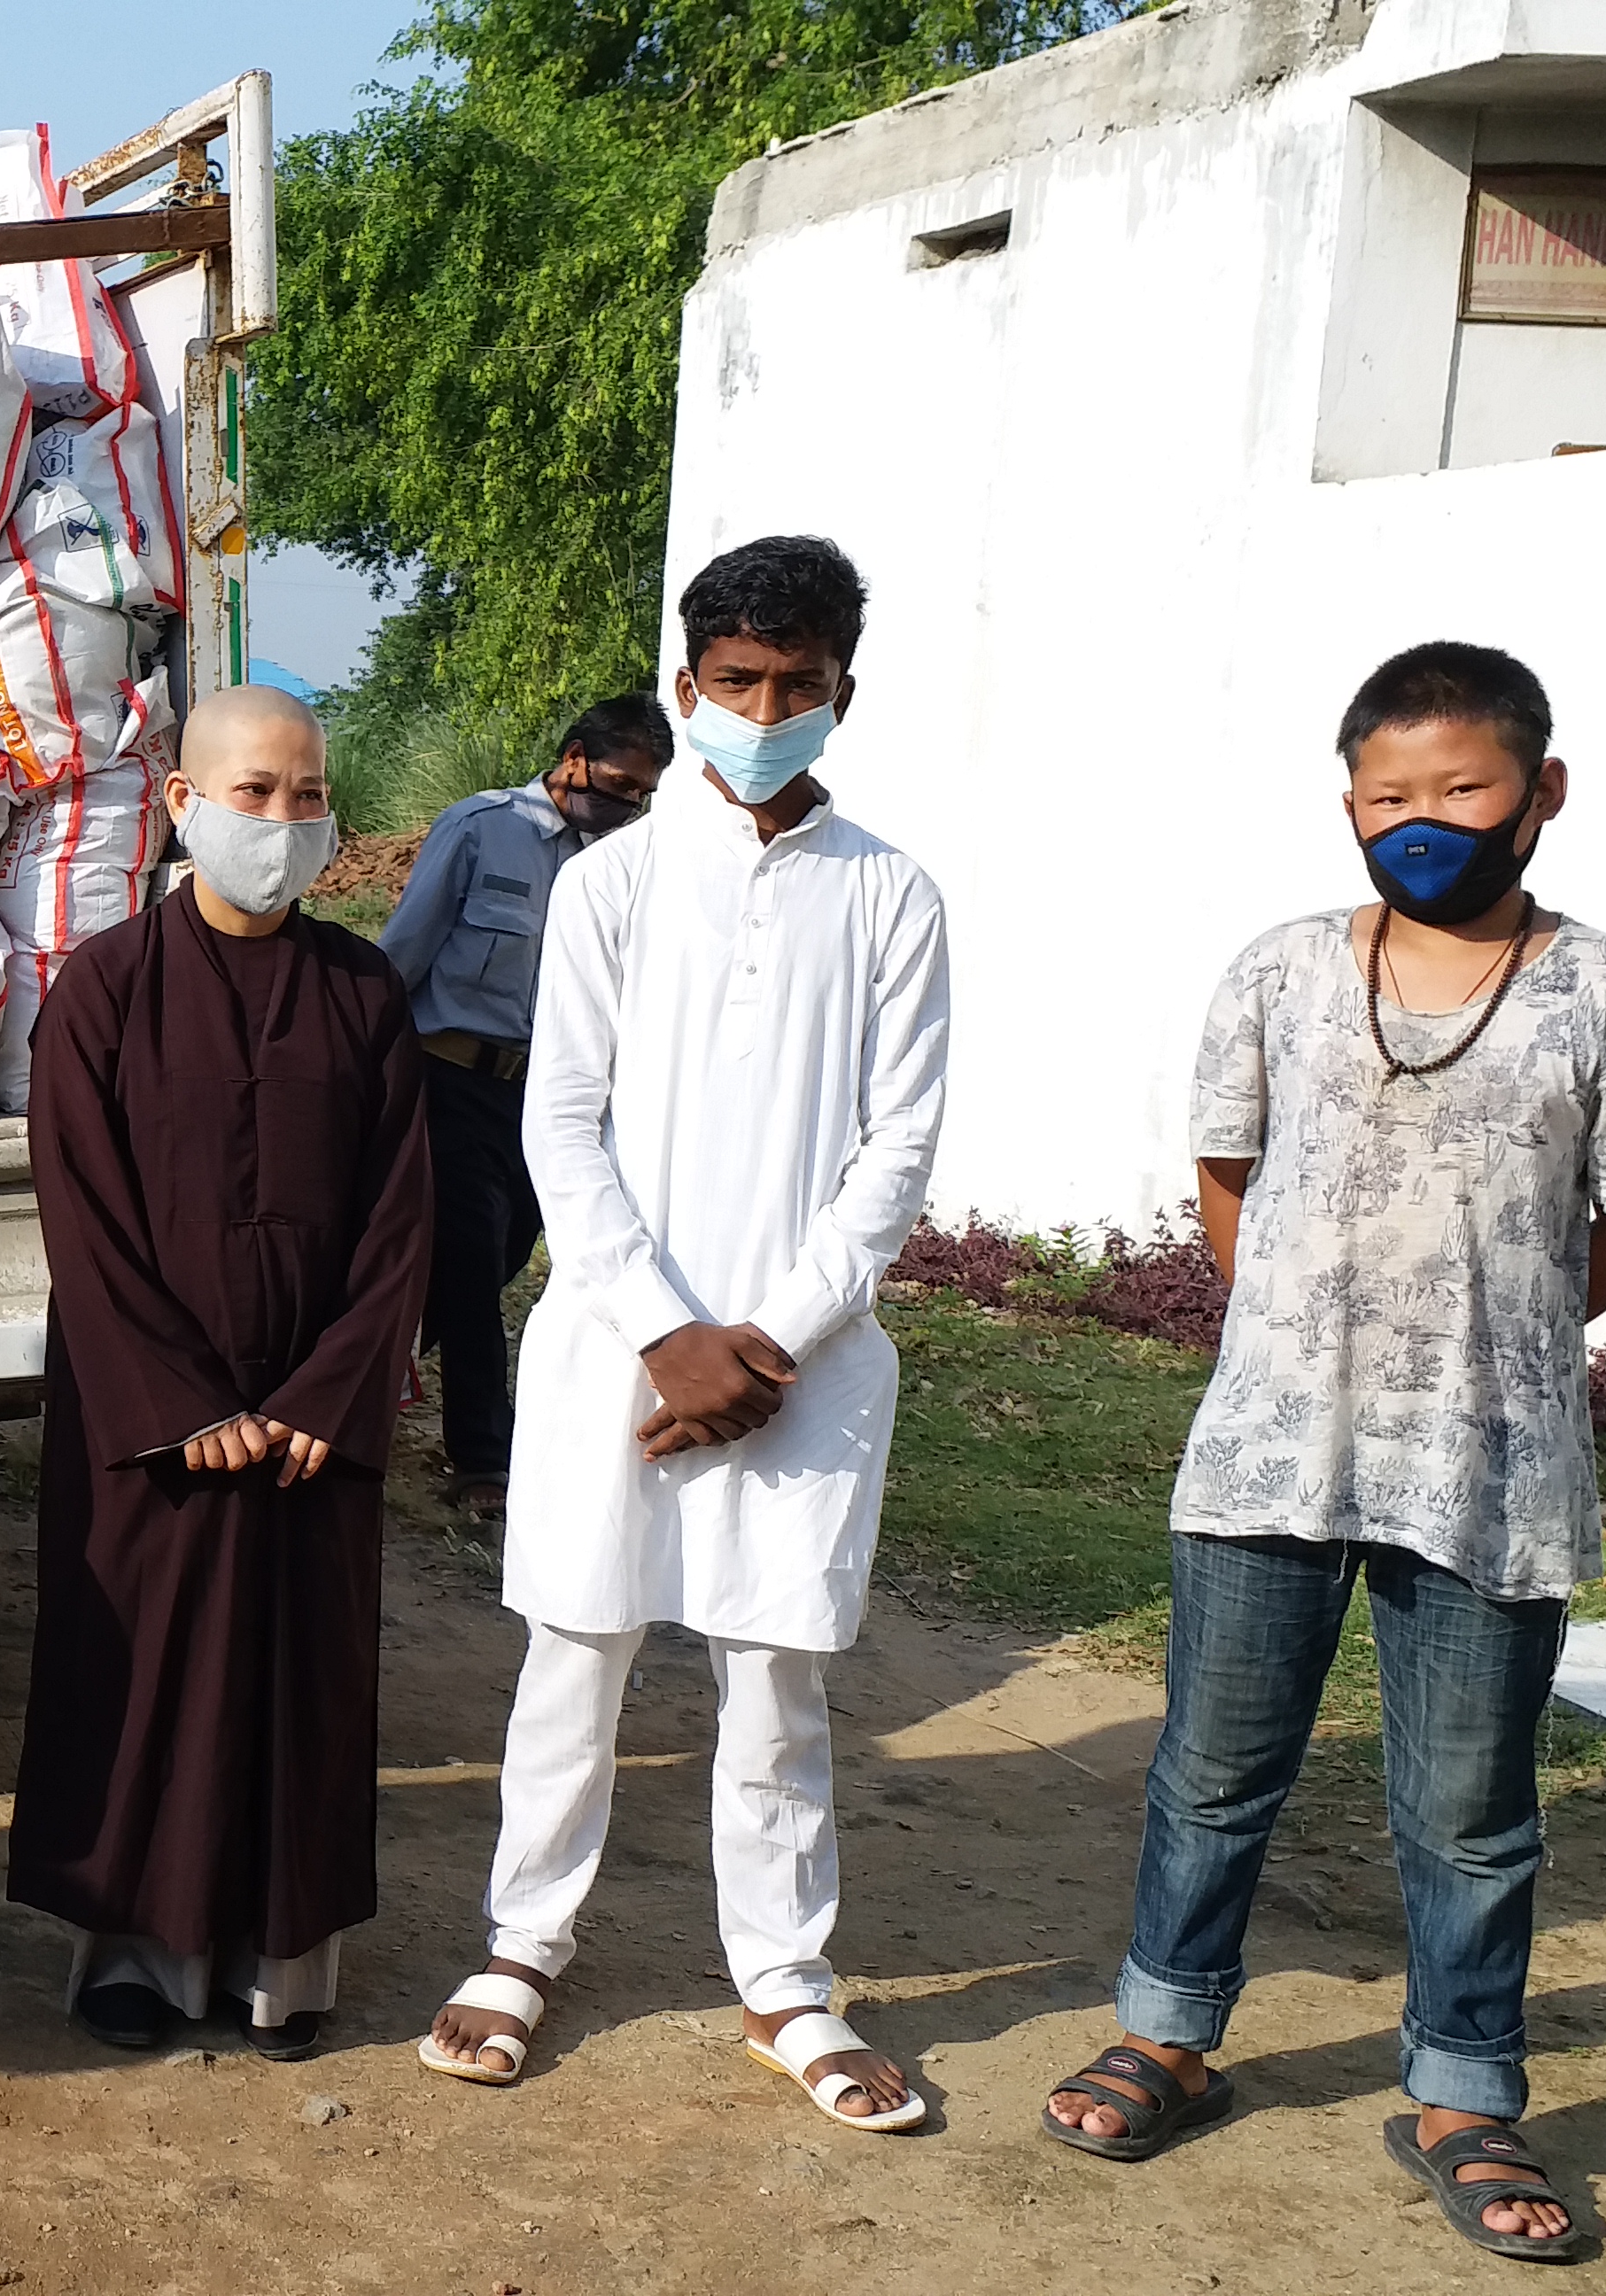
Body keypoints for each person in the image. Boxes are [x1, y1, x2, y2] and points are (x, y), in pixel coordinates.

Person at [1035, 643, 1606, 2262]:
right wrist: (1308, 1328)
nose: (1421, 821)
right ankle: (1166, 2029)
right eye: (1386, 796)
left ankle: (1462, 2090)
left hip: (1488, 1466)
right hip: (1265, 1450)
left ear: (1537, 792)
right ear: (1346, 806)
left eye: (1457, 789)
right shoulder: (1277, 971)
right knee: (1209, 1768)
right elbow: (1224, 1172)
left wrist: (1495, 1326)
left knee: (1469, 1809)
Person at [418, 535, 951, 2134]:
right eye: (735, 682)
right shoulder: (610, 883)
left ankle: (786, 1982)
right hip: (613, 1344)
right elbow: (557, 1127)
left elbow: (894, 1154)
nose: (763, 710)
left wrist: (766, 1342)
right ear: (685, 686)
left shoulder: (890, 895)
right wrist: (664, 1334)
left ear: (841, 692)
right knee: (571, 1656)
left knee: (773, 1683)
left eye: (796, 686)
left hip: (798, 1367)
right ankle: (523, 1942)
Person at [12, 685, 433, 2057]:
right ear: (184, 805)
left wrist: (329, 1396)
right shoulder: (106, 987)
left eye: (307, 794)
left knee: (296, 1688)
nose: (284, 818)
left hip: (314, 1426)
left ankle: (281, 1968)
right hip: (155, 1422)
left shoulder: (362, 990)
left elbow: (399, 1217)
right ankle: (133, 1950)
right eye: (254, 793)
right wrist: (182, 1405)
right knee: (146, 1685)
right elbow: (84, 1211)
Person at [377, 694, 668, 1517]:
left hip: (548, 1096)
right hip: (453, 1083)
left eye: (642, 795)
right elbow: (405, 952)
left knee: (509, 1254)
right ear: (574, 759)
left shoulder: (624, 862)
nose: (626, 806)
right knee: (471, 1270)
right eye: (618, 785)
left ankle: (381, 1365)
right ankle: (483, 1463)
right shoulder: (480, 829)